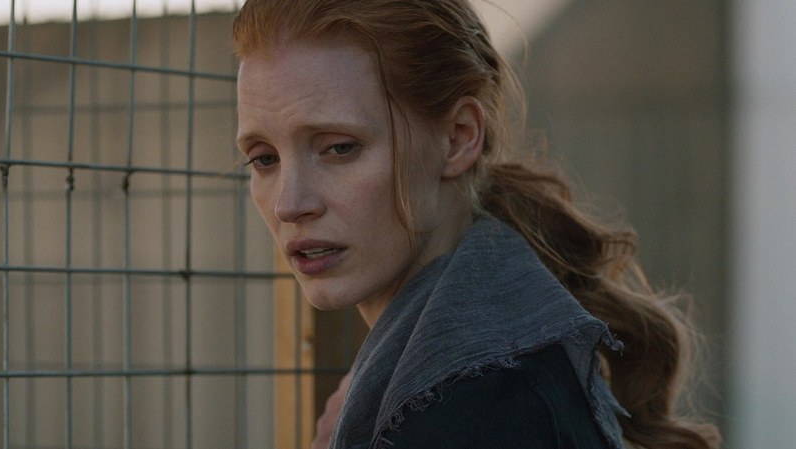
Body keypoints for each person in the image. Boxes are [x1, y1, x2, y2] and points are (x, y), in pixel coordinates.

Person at [232, 1, 722, 448]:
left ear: (458, 138)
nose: (289, 205)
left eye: (340, 148)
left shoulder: (480, 405)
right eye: (264, 158)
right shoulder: (474, 365)